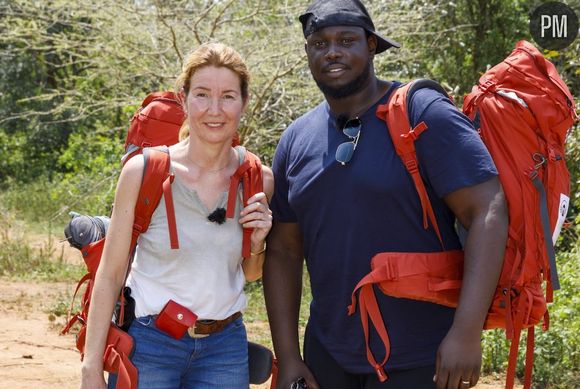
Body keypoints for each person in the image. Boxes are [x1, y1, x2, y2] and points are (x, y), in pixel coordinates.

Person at [263, 1, 508, 389]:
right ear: (307, 52)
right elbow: (283, 250)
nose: (332, 52)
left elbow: (487, 210)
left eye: (346, 40)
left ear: (372, 46)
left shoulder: (422, 112)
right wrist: (289, 357)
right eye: (319, 43)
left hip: (424, 354)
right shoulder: (296, 139)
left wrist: (466, 332)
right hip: (327, 354)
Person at [80, 42, 274, 389]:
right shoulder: (143, 172)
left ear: (244, 103)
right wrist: (91, 367)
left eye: (228, 96)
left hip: (224, 348)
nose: (214, 109)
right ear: (183, 99)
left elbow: (250, 273)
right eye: (202, 94)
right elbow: (110, 275)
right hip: (150, 343)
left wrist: (258, 241)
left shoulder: (257, 178)